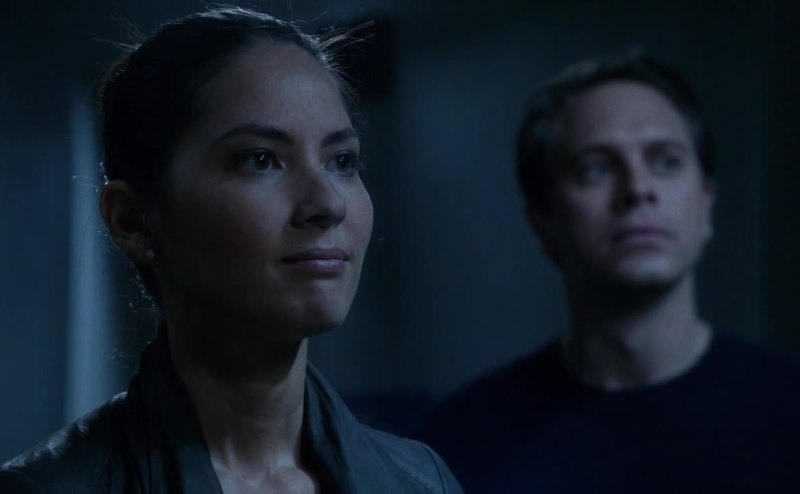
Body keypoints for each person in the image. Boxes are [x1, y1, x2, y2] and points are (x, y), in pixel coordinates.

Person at [0, 7, 462, 493]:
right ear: (132, 220)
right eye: (260, 160)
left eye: (341, 161)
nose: (328, 204)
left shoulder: (422, 481)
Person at [418, 52, 800, 493]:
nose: (638, 189)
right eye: (595, 168)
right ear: (542, 222)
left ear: (706, 204)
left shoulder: (790, 409)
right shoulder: (458, 443)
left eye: (666, 162)